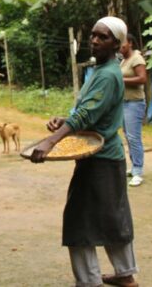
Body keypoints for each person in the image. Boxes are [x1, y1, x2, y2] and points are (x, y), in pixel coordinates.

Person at [30, 17, 139, 287]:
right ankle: (125, 273)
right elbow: (84, 112)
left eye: (102, 37)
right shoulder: (100, 70)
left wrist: (50, 141)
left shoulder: (108, 75)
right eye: (93, 35)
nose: (94, 40)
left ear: (116, 43)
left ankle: (89, 281)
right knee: (113, 216)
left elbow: (86, 115)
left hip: (101, 158)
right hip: (100, 155)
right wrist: (63, 120)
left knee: (78, 223)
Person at [120, 34, 147, 187]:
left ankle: (138, 171)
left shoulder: (137, 58)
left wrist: (121, 79)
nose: (120, 47)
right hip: (124, 103)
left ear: (130, 43)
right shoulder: (124, 60)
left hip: (134, 103)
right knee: (128, 137)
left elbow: (142, 78)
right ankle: (134, 166)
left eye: (122, 44)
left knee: (134, 138)